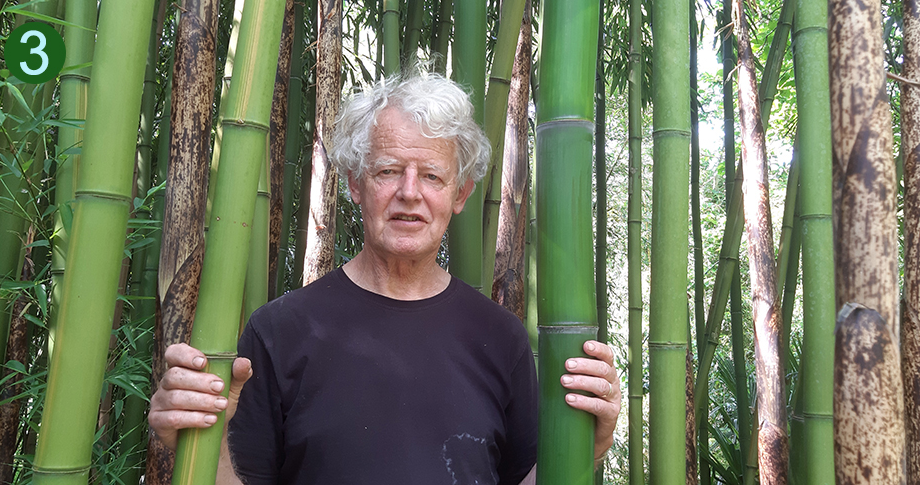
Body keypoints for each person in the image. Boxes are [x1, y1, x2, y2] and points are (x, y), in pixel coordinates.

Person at [148, 74, 622, 485]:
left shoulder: (501, 339)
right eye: (389, 171)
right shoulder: (279, 331)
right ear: (355, 183)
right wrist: (194, 442)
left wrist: (586, 448)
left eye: (432, 176)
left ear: (460, 194)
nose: (409, 193)